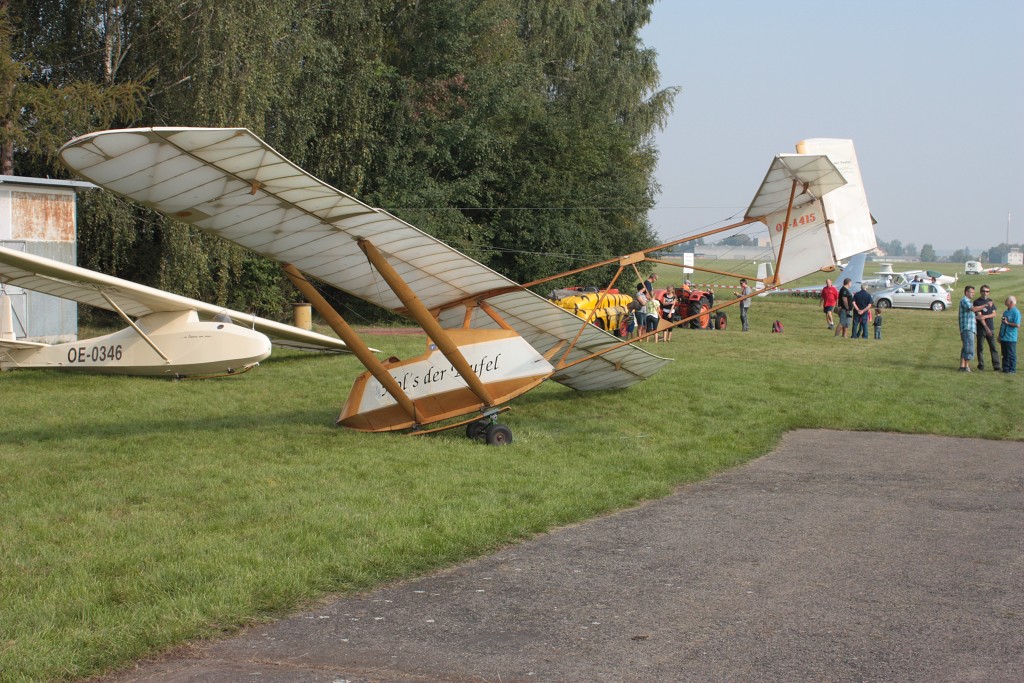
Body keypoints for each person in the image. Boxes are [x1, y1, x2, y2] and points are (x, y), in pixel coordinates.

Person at [958, 285, 988, 372]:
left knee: (966, 347)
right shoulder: (964, 300)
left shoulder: (969, 301)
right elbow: (972, 309)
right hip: (967, 328)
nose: (973, 294)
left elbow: (970, 314)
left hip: (970, 328)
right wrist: (984, 305)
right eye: (971, 292)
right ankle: (965, 366)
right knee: (969, 347)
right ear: (966, 292)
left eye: (974, 293)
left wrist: (978, 318)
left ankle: (963, 366)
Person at [973, 285, 1001, 371]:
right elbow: (979, 316)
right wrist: (986, 327)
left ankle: (996, 365)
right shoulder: (977, 302)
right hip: (981, 328)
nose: (985, 293)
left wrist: (985, 317)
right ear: (981, 292)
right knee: (980, 347)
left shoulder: (990, 301)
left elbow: (994, 314)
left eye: (987, 291)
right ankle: (981, 364)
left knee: (993, 347)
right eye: (984, 291)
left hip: (991, 327)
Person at [998, 295, 1020, 374]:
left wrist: (1008, 323)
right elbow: (1002, 324)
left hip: (1011, 337)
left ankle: (1012, 369)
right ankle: (1005, 368)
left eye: (1006, 300)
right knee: (1004, 354)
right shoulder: (1005, 312)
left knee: (1011, 354)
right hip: (1004, 336)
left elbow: (1017, 325)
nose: (1005, 301)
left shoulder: (1016, 312)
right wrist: (1000, 335)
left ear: (1011, 302)